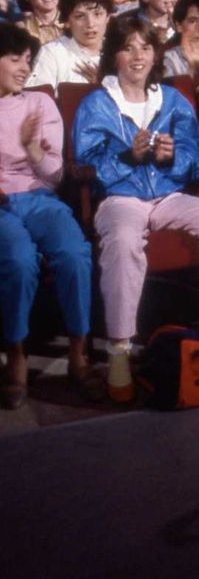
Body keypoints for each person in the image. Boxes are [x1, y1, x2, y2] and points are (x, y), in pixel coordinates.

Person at [72, 15, 199, 401]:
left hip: (169, 195)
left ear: (156, 54)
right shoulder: (96, 103)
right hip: (120, 199)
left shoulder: (171, 99)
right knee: (121, 240)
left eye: (145, 47)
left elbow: (195, 160)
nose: (137, 56)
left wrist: (171, 159)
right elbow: (87, 167)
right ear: (113, 55)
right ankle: (119, 350)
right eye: (127, 47)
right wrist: (127, 156)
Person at [0, 23, 98, 410]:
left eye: (29, 60)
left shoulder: (40, 104)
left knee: (74, 253)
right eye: (14, 58)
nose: (25, 67)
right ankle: (16, 356)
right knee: (20, 259)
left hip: (40, 196)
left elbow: (57, 175)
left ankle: (79, 353)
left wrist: (32, 149)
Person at [26, 0, 109, 91]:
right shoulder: (53, 54)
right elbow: (36, 100)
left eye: (97, 14)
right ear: (67, 21)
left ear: (108, 17)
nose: (90, 24)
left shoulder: (120, 51)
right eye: (80, 16)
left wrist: (103, 85)